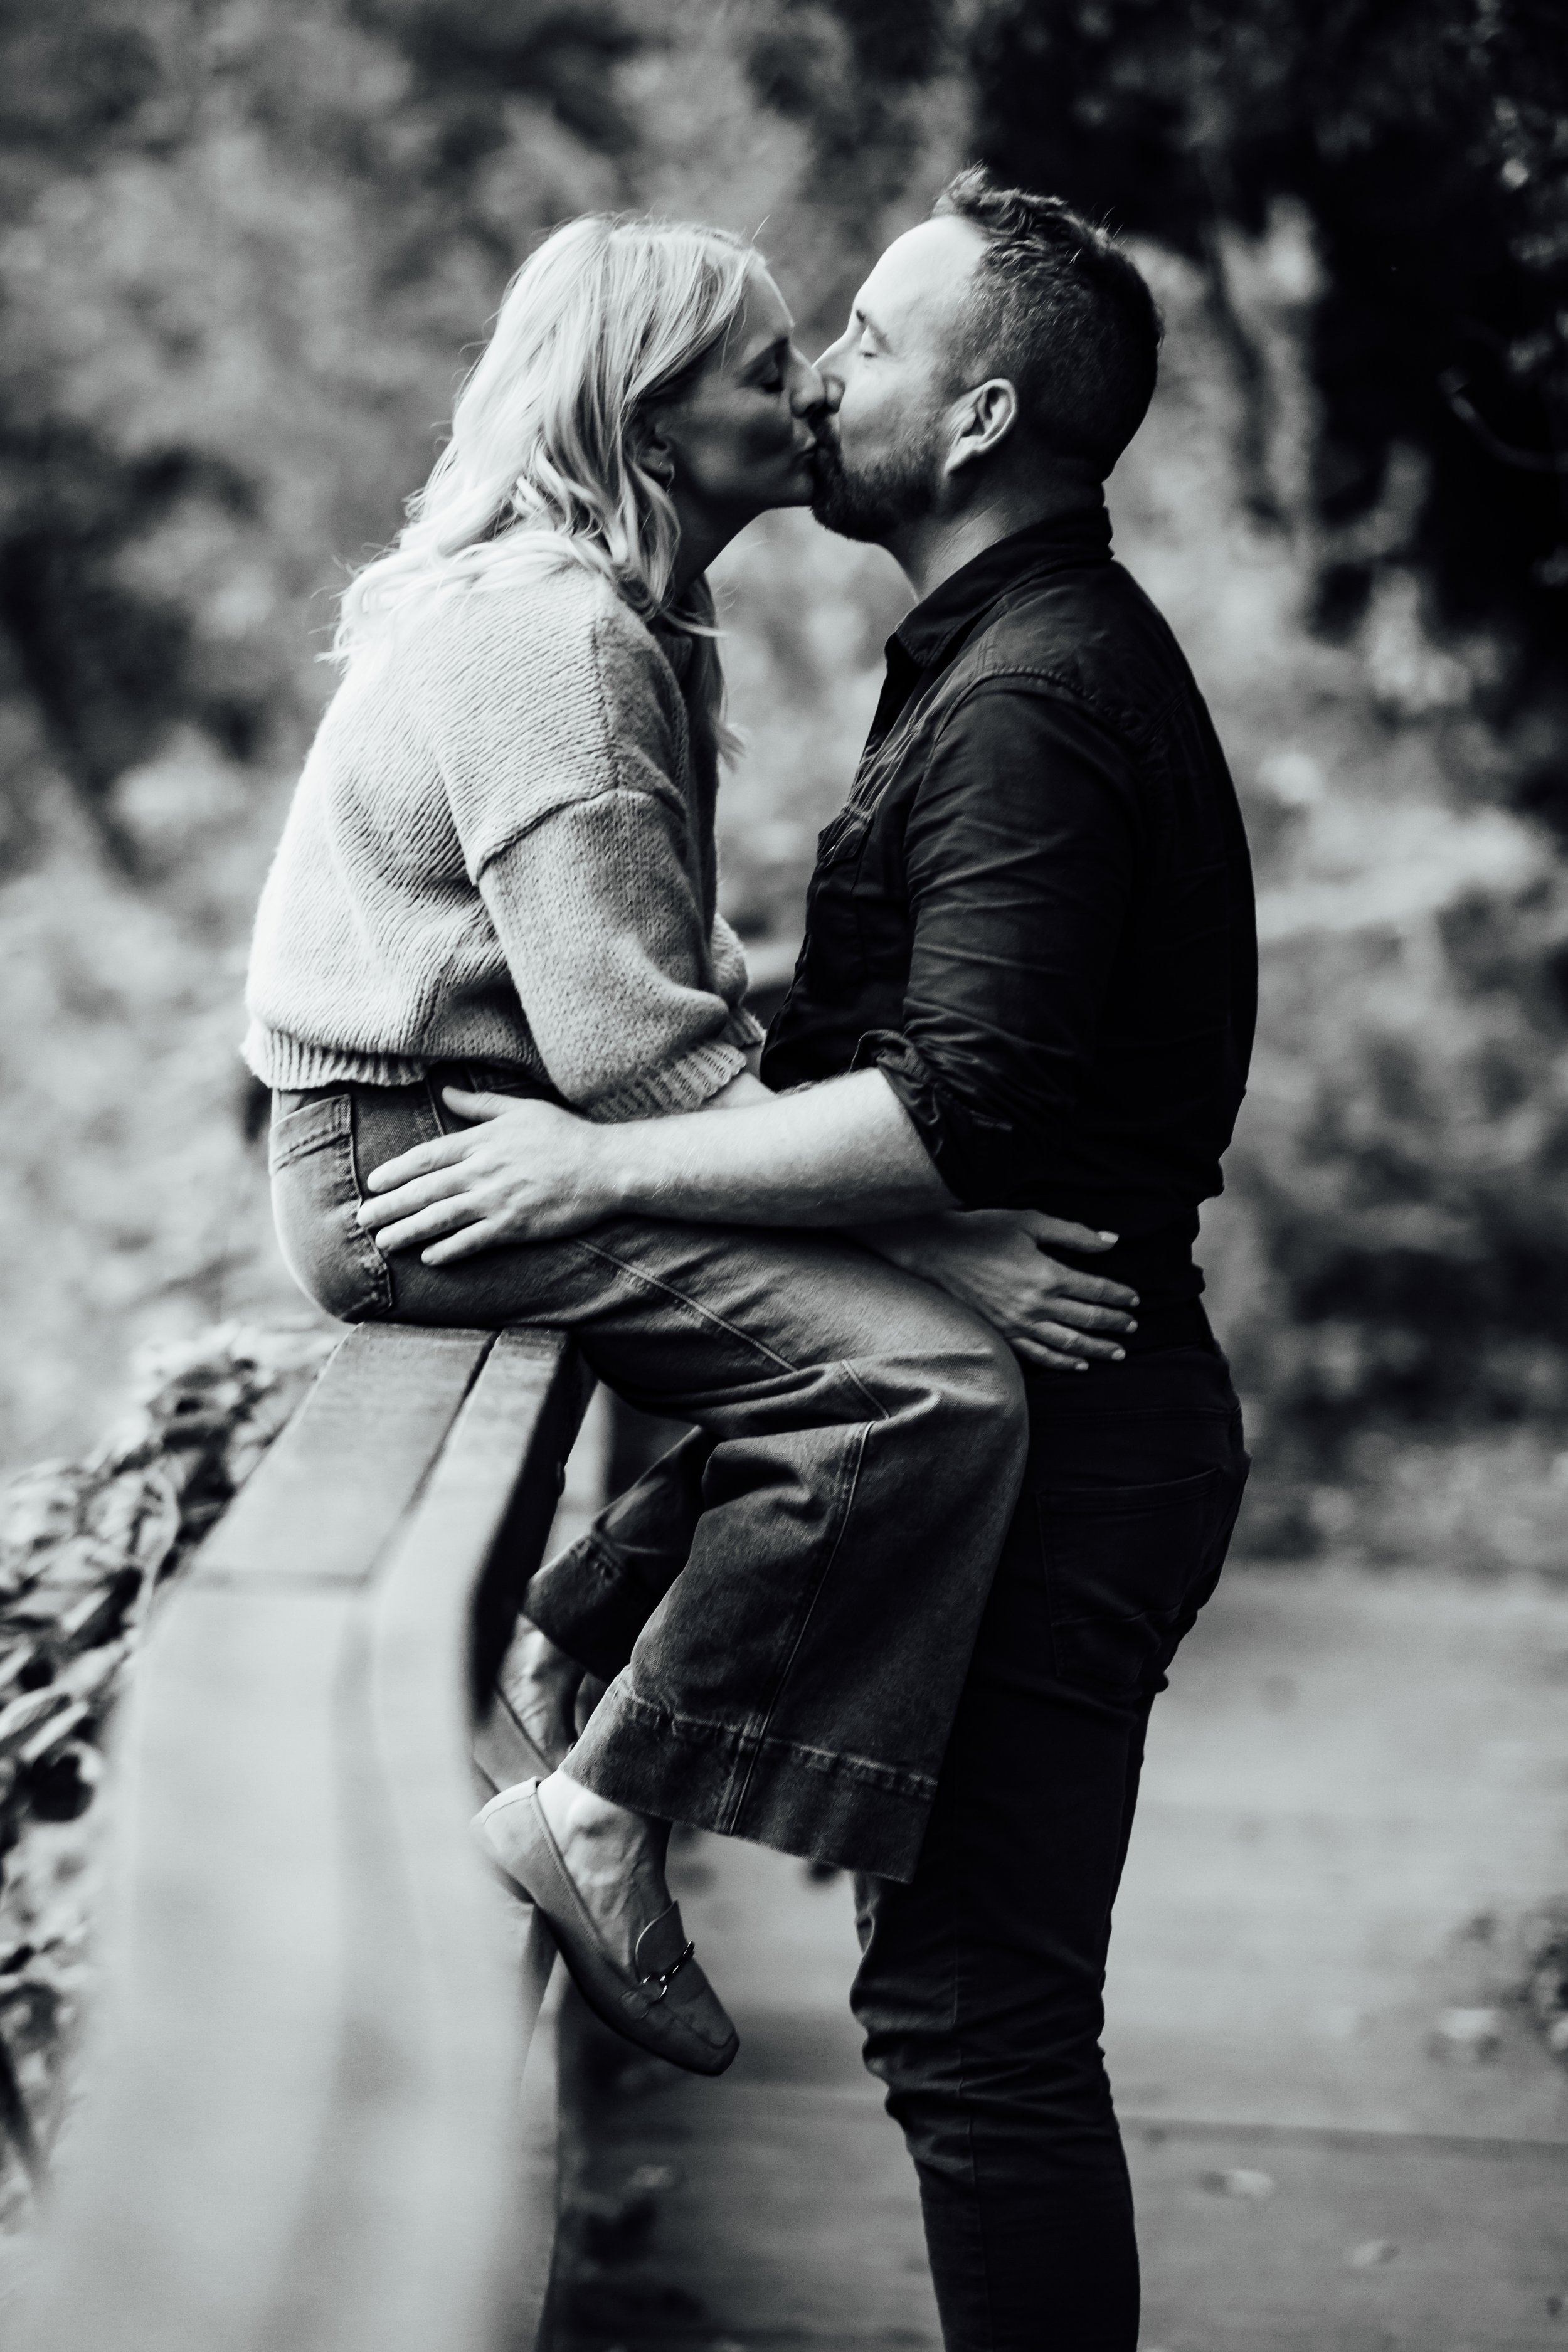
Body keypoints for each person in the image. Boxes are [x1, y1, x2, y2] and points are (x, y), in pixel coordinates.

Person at [358, 171, 1256, 2351]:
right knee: (960, 2014)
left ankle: (587, 1753)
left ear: (979, 419)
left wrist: (594, 1172)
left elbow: (956, 1104)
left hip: (1072, 1429)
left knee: (977, 2027)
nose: (823, 375)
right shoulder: (996, 663)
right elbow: (925, 1073)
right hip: (1043, 1387)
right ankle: (588, 1725)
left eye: (865, 337)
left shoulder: (1035, 695)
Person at [245, 211, 1139, 2084]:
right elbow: (637, 1053)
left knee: (880, 1388)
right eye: (764, 365)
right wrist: (938, 1245)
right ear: (652, 421)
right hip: (424, 1162)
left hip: (488, 1137)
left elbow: (647, 1029)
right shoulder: (554, 640)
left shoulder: (607, 620)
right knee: (928, 1392)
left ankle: (579, 1665)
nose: (809, 390)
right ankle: (599, 1811)